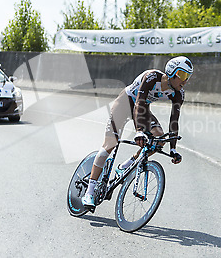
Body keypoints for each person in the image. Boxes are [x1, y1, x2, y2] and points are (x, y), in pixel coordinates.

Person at [81, 56, 193, 208]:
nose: (185, 80)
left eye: (188, 77)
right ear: (172, 72)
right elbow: (139, 101)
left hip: (142, 110)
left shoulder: (178, 93)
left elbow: (174, 121)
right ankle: (89, 191)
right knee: (109, 145)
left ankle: (126, 164)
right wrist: (139, 131)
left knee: (159, 139)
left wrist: (173, 149)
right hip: (125, 103)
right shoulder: (152, 77)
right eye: (184, 75)